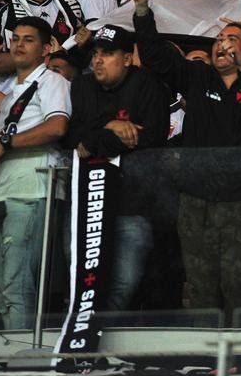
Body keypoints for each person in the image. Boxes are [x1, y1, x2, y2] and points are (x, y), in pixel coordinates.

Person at [128, 0, 241, 315]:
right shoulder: (197, 76)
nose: (222, 44)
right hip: (196, 200)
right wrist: (141, 6)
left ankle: (237, 357)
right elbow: (153, 55)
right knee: (200, 283)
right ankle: (202, 359)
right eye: (219, 40)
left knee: (238, 284)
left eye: (232, 40)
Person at [0, 18, 70, 329]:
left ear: (46, 48)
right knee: (1, 286)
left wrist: (5, 144)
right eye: (15, 38)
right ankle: (13, 348)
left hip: (32, 187)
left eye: (28, 39)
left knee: (17, 280)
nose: (19, 44)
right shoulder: (11, 91)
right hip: (0, 188)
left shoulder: (53, 81)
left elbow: (56, 127)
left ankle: (23, 354)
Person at [63, 24, 170, 311]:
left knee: (124, 283)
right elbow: (70, 136)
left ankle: (101, 346)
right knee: (79, 282)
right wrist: (112, 125)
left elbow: (152, 138)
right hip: (85, 204)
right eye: (95, 53)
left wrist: (95, 138)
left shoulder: (147, 84)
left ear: (126, 58)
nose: (97, 60)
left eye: (107, 54)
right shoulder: (81, 85)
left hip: (131, 204)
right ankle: (77, 349)